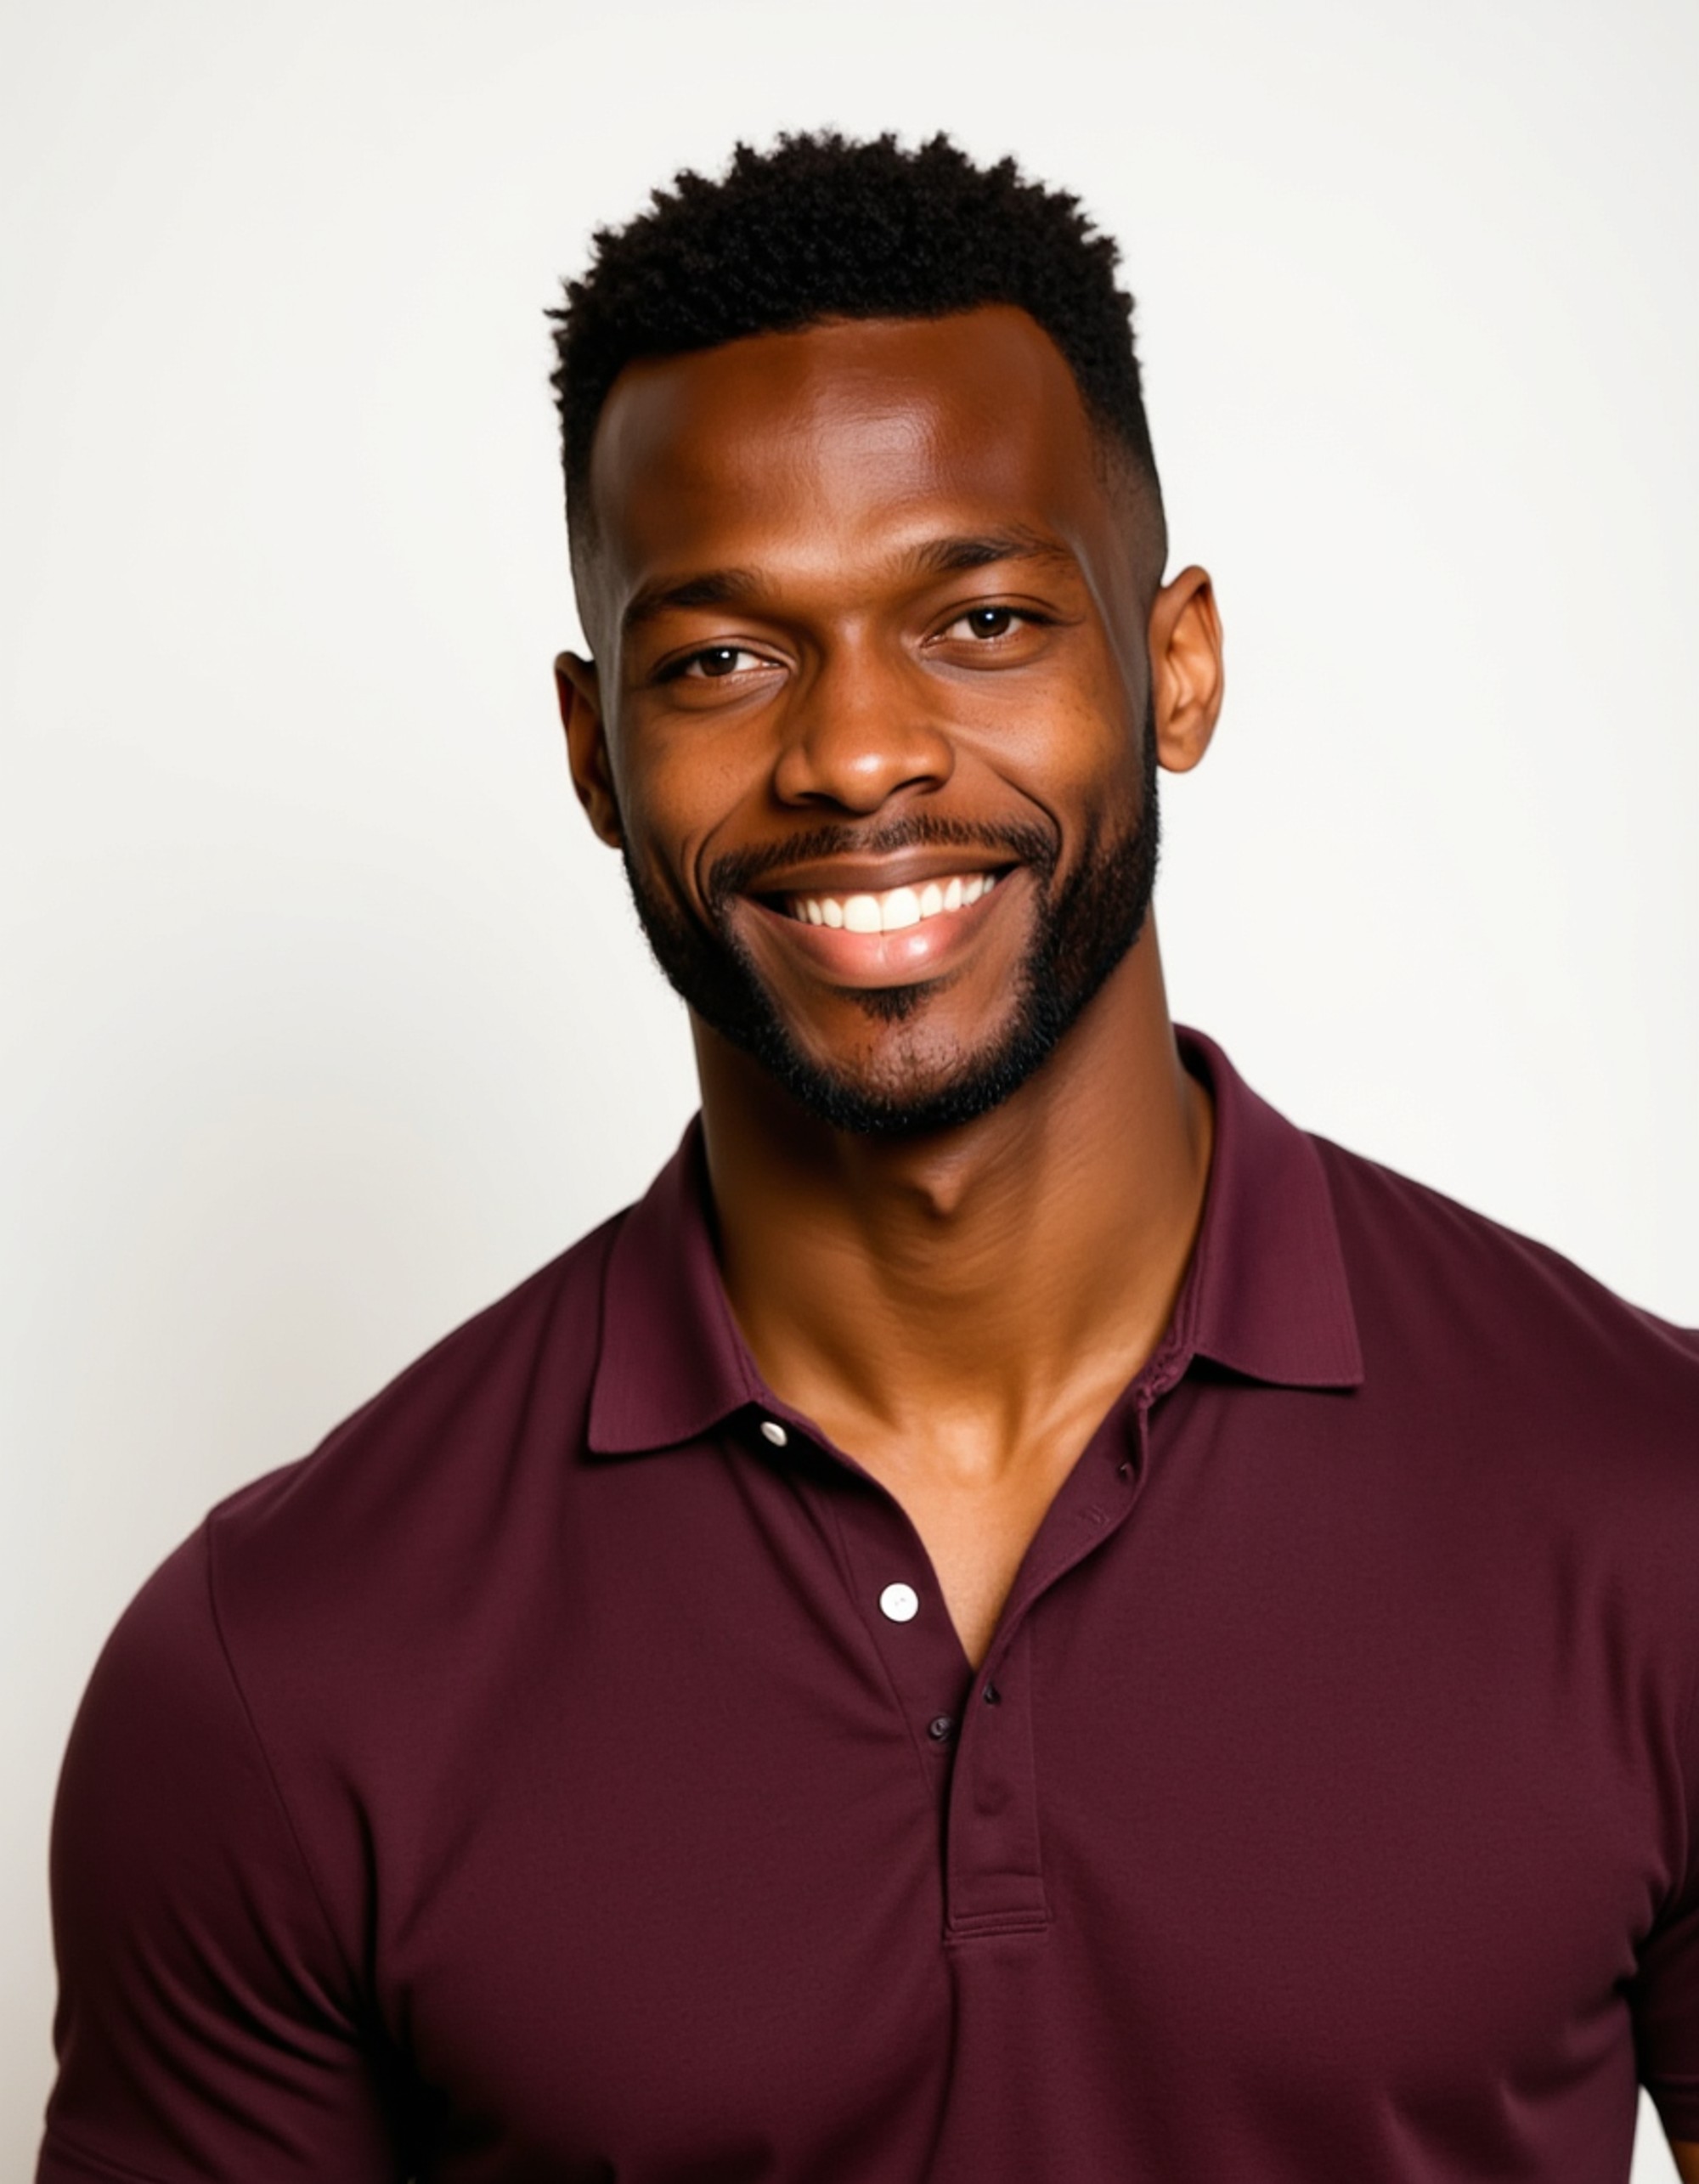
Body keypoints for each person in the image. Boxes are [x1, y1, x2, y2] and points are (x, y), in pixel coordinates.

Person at [37, 132, 1699, 2184]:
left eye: (982, 617)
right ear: (592, 752)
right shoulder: (274, 1668)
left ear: (1172, 663)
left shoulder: (1656, 1512)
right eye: (724, 658)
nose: (852, 751)